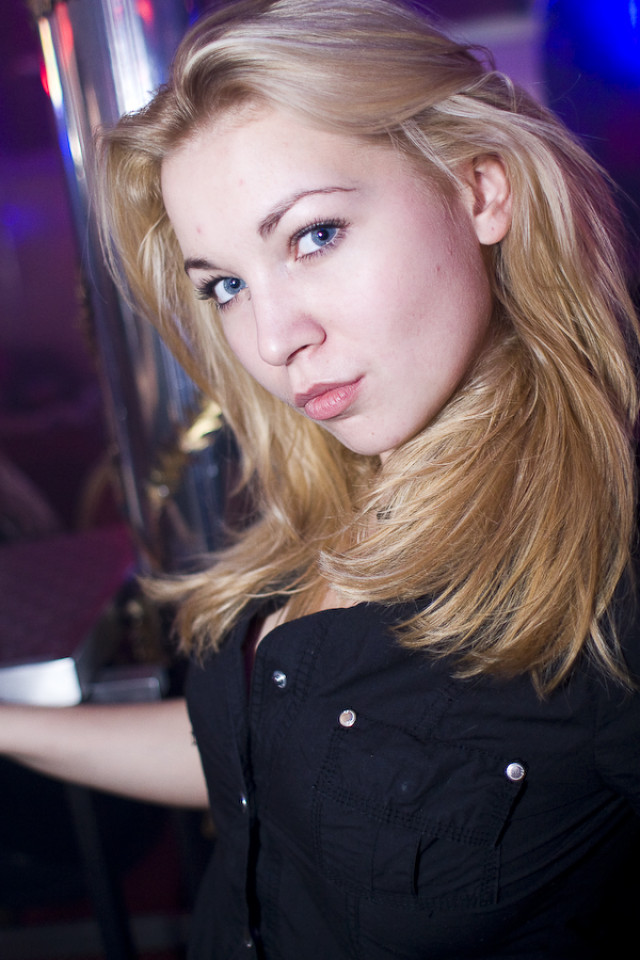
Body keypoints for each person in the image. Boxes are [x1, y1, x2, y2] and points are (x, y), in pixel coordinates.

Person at [2, 1, 640, 956]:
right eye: (225, 285)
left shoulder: (607, 554)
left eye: (314, 235)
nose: (273, 340)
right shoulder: (337, 485)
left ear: (480, 190)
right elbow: (269, 756)